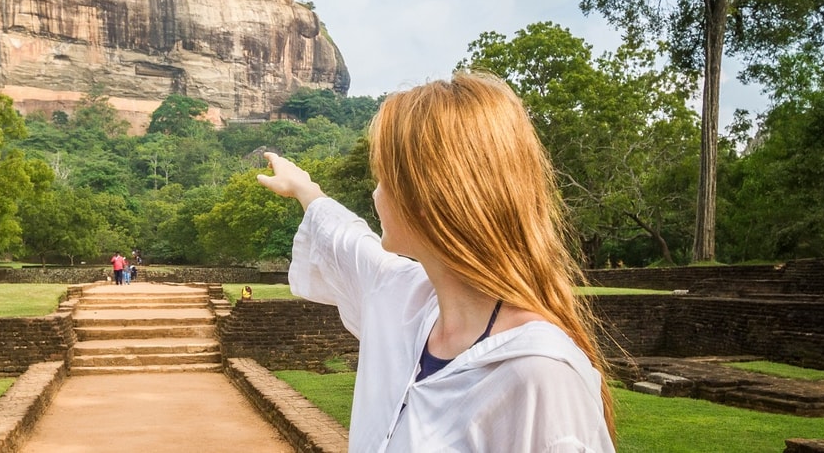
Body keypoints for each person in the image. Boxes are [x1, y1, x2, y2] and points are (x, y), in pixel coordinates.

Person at [257, 72, 615, 452]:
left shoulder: (540, 375)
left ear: (425, 200)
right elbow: (345, 238)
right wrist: (304, 189)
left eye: (382, 179)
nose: (376, 194)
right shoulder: (404, 298)